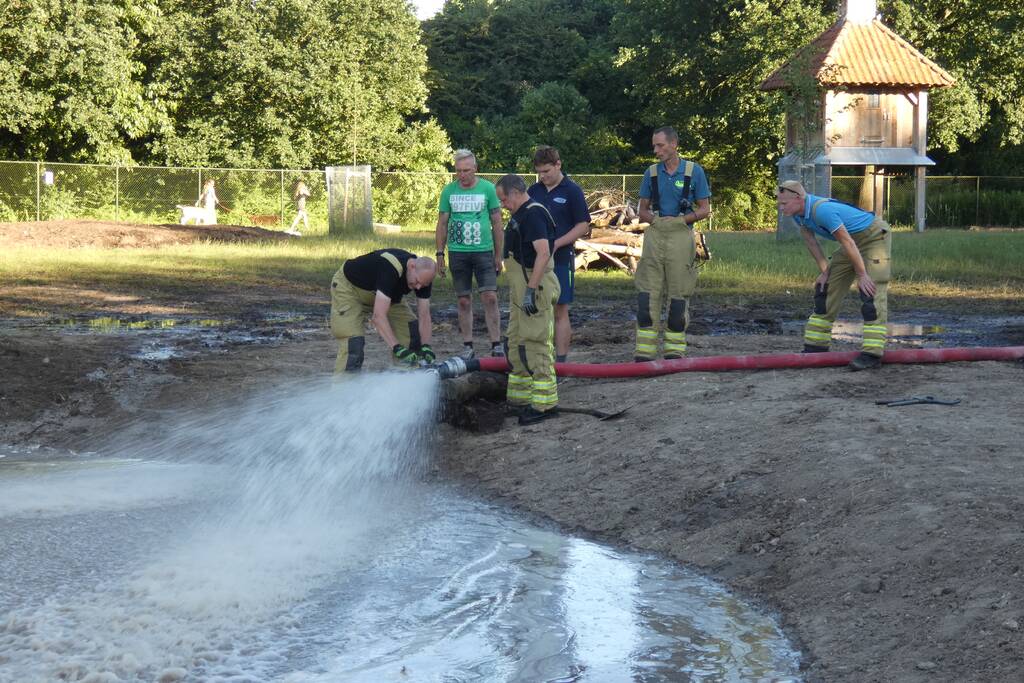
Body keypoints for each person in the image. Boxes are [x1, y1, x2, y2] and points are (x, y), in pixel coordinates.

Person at [776, 180, 891, 371]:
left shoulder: (823, 211)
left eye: (784, 204)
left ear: (798, 198)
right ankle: (816, 348)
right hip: (851, 242)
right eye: (779, 204)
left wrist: (862, 274)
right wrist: (825, 272)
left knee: (870, 292)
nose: (781, 208)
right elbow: (812, 244)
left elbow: (847, 242)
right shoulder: (798, 215)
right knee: (825, 288)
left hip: (873, 238)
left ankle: (872, 354)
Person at [634, 126, 712, 361]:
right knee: (647, 294)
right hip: (655, 235)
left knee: (679, 294)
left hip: (681, 236)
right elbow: (642, 210)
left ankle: (674, 350)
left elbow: (705, 209)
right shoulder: (651, 173)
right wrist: (657, 221)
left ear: (674, 144)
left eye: (660, 145)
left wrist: (681, 220)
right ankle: (645, 352)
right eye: (654, 145)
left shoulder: (694, 171)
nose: (655, 150)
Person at [495, 174, 560, 426]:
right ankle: (521, 399)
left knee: (536, 342)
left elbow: (543, 253)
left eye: (503, 199)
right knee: (516, 341)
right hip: (520, 290)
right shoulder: (521, 214)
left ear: (514, 193)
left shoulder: (533, 214)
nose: (502, 204)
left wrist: (531, 290)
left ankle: (545, 405)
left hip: (535, 288)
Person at [434, 149, 504, 360]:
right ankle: (468, 345)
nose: (462, 175)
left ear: (475, 169)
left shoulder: (488, 189)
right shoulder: (449, 191)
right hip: (458, 252)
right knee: (463, 300)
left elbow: (497, 222)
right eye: (458, 171)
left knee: (490, 297)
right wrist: (440, 254)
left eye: (466, 170)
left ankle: (496, 344)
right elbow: (442, 223)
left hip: (483, 251)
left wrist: (498, 255)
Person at [527, 146, 591, 362]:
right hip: (534, 260)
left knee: (560, 308)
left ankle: (561, 361)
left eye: (547, 171)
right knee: (536, 308)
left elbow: (583, 226)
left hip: (561, 259)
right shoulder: (533, 191)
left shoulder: (572, 191)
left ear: (558, 165)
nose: (543, 177)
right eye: (540, 172)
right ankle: (539, 356)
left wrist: (556, 244)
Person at [329, 249, 437, 373]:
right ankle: (345, 388)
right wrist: (396, 347)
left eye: (422, 285)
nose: (418, 287)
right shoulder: (390, 267)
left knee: (410, 330)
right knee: (353, 343)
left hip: (385, 295)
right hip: (349, 290)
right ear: (412, 266)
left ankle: (406, 376)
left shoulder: (423, 277)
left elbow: (424, 315)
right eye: (417, 282)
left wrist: (426, 346)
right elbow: (378, 317)